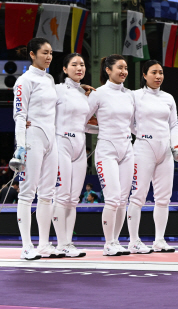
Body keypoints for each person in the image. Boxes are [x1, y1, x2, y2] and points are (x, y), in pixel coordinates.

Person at [127, 60, 178, 254]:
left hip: (165, 152)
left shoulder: (168, 98)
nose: (158, 76)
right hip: (143, 149)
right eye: (154, 72)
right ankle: (134, 241)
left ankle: (159, 240)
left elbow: (174, 124)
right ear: (144, 75)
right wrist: (142, 134)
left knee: (163, 198)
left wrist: (175, 145)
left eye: (161, 72)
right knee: (138, 197)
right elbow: (128, 122)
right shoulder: (135, 96)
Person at [11, 38, 61, 260]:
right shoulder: (24, 80)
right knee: (27, 193)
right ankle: (26, 246)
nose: (49, 56)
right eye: (44, 53)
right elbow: (20, 115)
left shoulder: (49, 79)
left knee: (47, 194)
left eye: (51, 53)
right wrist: (20, 146)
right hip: (32, 139)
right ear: (32, 54)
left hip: (51, 139)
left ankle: (43, 244)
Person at [86, 54, 135, 256]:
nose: (124, 71)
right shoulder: (98, 94)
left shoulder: (130, 95)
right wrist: (103, 130)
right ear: (108, 70)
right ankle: (108, 243)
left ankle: (116, 241)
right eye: (119, 68)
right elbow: (82, 122)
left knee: (123, 199)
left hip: (127, 148)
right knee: (113, 198)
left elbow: (133, 125)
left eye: (125, 68)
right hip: (107, 149)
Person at [52, 53, 97, 258]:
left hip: (80, 147)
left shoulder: (85, 94)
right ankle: (60, 243)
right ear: (64, 69)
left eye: (82, 65)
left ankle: (67, 243)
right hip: (61, 142)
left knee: (73, 199)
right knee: (61, 197)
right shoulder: (57, 90)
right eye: (74, 65)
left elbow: (87, 125)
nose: (79, 68)